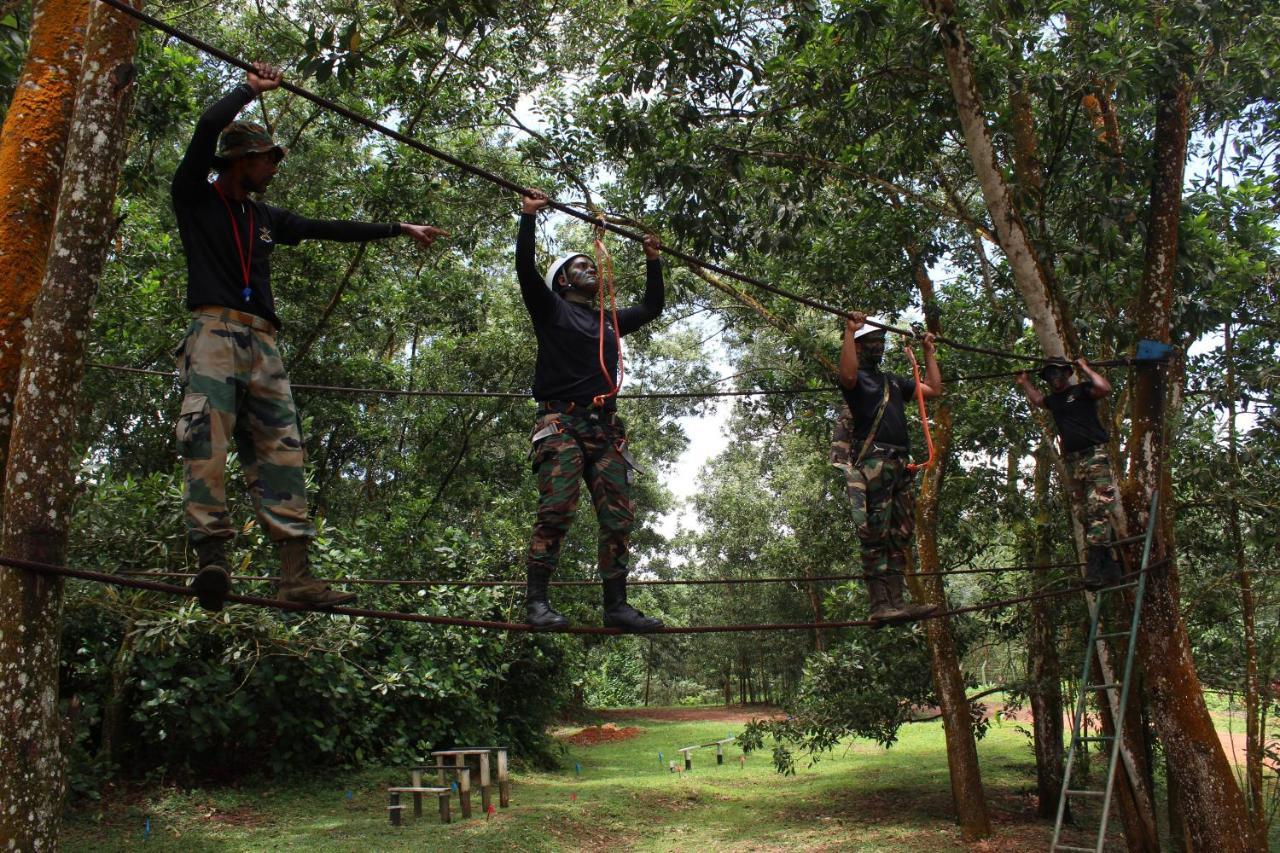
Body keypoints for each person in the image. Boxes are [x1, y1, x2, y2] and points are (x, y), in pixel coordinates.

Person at [172, 62, 448, 612]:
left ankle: (296, 576)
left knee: (283, 452)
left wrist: (397, 228)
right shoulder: (196, 198)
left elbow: (328, 227)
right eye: (265, 161)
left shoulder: (265, 217)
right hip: (214, 331)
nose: (272, 170)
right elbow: (206, 130)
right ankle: (212, 562)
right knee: (206, 441)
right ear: (238, 162)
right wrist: (248, 90)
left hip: (264, 344)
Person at [516, 189, 665, 633]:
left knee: (618, 516)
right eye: (580, 265)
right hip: (560, 422)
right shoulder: (550, 309)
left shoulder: (608, 321)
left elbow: (652, 306)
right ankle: (537, 603)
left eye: (591, 264)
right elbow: (525, 271)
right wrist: (527, 218)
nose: (591, 269)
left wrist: (653, 258)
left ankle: (616, 605)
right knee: (557, 510)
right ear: (562, 280)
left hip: (603, 429)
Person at [832, 313, 942, 626]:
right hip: (875, 463)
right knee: (875, 534)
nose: (878, 346)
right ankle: (880, 604)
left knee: (900, 534)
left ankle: (897, 601)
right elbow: (848, 376)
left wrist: (929, 353)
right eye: (872, 342)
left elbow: (933, 389)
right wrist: (849, 332)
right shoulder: (857, 382)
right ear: (860, 346)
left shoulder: (892, 380)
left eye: (881, 341)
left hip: (900, 466)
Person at [1015, 357, 1122, 589]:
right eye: (1050, 375)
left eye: (1058, 373)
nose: (1055, 378)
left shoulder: (1081, 390)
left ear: (1066, 374)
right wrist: (1025, 382)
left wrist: (1085, 367)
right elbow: (1038, 400)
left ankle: (1094, 570)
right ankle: (1111, 567)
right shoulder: (1054, 401)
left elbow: (1104, 388)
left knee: (1099, 507)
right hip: (1074, 461)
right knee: (1084, 513)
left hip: (1095, 455)